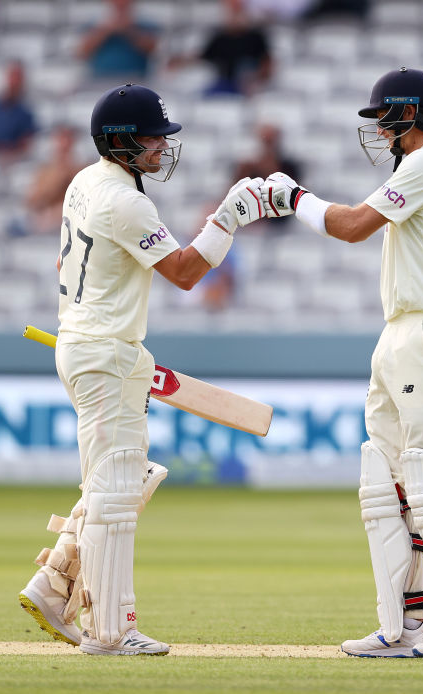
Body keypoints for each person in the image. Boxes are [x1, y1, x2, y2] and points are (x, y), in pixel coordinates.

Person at [259, 67, 423, 658]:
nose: (378, 131)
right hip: (405, 332)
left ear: (408, 116)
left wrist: (292, 197)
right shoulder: (422, 171)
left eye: (383, 119)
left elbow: (350, 227)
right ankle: (403, 627)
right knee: (386, 482)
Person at [16, 84, 265, 656]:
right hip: (104, 352)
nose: (161, 147)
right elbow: (182, 271)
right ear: (121, 141)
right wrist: (227, 220)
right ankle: (111, 631)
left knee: (117, 484)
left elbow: (67, 259)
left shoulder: (85, 181)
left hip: (92, 345)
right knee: (114, 494)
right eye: (152, 137)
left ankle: (53, 585)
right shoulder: (125, 201)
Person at [170, 0, 272, 97]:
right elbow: (203, 56)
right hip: (224, 83)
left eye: (237, 10)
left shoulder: (256, 37)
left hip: (250, 86)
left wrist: (256, 78)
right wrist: (181, 61)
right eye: (231, 11)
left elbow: (267, 63)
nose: (234, 15)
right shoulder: (220, 38)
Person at [11, 125, 86, 236]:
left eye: (68, 140)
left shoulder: (82, 171)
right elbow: (33, 201)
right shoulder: (45, 170)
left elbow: (81, 202)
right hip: (44, 220)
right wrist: (57, 179)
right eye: (61, 141)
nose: (64, 145)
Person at [77, 0, 160, 81]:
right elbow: (82, 52)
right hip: (100, 79)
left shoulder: (145, 21)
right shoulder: (93, 22)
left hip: (136, 79)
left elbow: (153, 50)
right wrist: (107, 29)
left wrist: (128, 30)